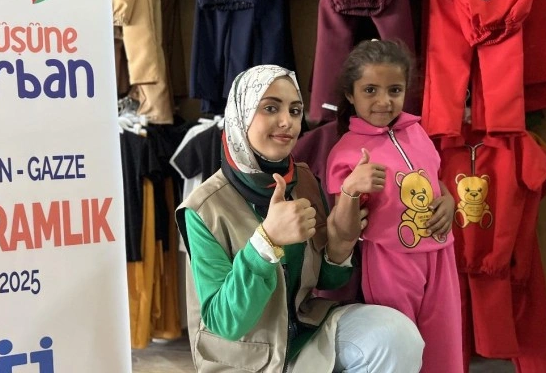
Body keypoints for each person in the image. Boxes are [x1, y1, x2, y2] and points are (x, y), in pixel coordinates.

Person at [176, 65, 424, 372]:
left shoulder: (302, 179)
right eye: (270, 108)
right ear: (241, 114)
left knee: (396, 336)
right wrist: (265, 244)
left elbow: (327, 280)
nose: (287, 122)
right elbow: (225, 322)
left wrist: (340, 245)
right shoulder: (203, 209)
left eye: (295, 111)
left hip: (304, 333)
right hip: (246, 359)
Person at [326, 40, 462, 373]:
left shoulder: (417, 132)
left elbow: (433, 179)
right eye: (370, 90)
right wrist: (351, 189)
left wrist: (449, 200)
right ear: (350, 94)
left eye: (394, 90)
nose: (384, 101)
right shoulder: (346, 152)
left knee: (444, 345)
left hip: (441, 256)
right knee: (402, 346)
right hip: (390, 261)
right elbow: (342, 230)